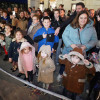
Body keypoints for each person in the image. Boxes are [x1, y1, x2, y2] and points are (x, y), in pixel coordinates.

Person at [57, 10, 98, 82]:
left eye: (85, 18)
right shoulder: (71, 26)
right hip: (68, 50)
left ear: (87, 18)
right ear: (78, 18)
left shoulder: (91, 28)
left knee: (77, 67)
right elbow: (64, 35)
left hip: (81, 53)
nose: (83, 20)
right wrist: (71, 44)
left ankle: (74, 80)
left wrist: (86, 46)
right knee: (65, 64)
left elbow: (94, 40)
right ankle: (61, 74)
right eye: (81, 18)